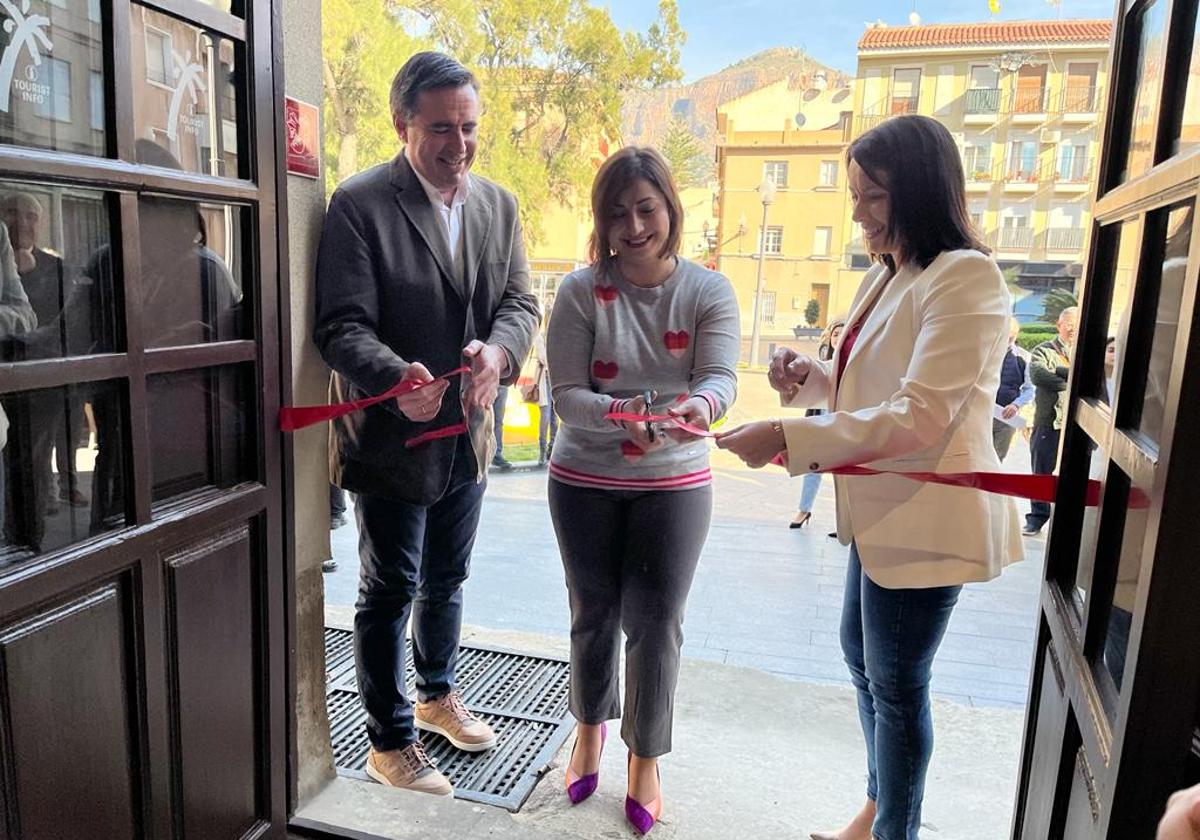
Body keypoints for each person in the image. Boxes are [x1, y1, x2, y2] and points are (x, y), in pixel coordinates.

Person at [716, 114, 1022, 840]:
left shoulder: (965, 278)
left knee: (896, 684)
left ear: (919, 192)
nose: (856, 212)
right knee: (868, 666)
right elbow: (863, 385)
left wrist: (787, 437)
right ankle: (881, 809)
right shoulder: (891, 275)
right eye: (855, 195)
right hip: (881, 512)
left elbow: (920, 417)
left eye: (872, 197)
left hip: (926, 515)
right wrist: (809, 376)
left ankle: (895, 830)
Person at [313, 52, 539, 796]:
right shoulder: (359, 203)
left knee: (448, 576)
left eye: (470, 127)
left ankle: (437, 694)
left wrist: (498, 355)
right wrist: (392, 375)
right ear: (401, 122)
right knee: (389, 587)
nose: (459, 144)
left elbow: (519, 305)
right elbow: (341, 326)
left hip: (468, 434)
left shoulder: (499, 205)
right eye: (441, 128)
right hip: (390, 437)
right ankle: (388, 739)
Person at [546, 146, 739, 835]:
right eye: (618, 212)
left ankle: (645, 755)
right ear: (601, 220)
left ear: (669, 209)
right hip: (583, 481)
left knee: (658, 621)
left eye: (646, 208)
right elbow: (567, 396)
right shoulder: (578, 291)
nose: (634, 225)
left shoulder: (709, 291)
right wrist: (636, 413)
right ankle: (590, 730)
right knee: (592, 611)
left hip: (674, 484)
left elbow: (719, 380)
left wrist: (700, 410)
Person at [1022, 306, 1078, 536]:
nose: (1073, 330)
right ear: (1059, 325)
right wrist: (1073, 379)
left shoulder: (1086, 351)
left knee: (1072, 476)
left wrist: (1059, 371)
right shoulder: (1043, 350)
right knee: (1041, 474)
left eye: (1077, 325)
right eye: (1069, 325)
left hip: (1074, 425)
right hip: (1048, 422)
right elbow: (1038, 376)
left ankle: (1066, 523)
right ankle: (1036, 518)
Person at [792, 318, 844, 528]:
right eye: (835, 334)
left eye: (843, 334)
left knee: (844, 476)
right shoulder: (822, 363)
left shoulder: (856, 364)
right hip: (821, 422)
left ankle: (843, 523)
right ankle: (804, 510)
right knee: (813, 467)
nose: (838, 338)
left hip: (844, 425)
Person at [993, 317, 1034, 461]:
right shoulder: (986, 353)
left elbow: (1030, 389)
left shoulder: (1024, 357)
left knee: (997, 459)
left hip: (1006, 417)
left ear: (1016, 334)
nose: (1008, 335)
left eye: (1012, 332)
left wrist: (1016, 404)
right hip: (981, 413)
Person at [535, 290, 557, 466]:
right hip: (545, 378)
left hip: (557, 378)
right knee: (546, 415)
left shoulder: (560, 335)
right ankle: (542, 451)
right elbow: (543, 357)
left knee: (555, 416)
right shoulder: (541, 337)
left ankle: (552, 448)